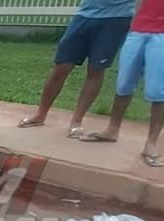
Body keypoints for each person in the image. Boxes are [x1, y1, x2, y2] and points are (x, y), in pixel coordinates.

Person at [80, 0, 164, 167]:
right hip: (139, 28)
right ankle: (112, 130)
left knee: (160, 88)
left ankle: (151, 143)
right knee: (124, 82)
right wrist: (134, 20)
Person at [18, 0, 136, 138]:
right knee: (61, 66)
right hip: (85, 15)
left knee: (96, 69)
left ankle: (76, 121)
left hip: (116, 18)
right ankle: (40, 115)